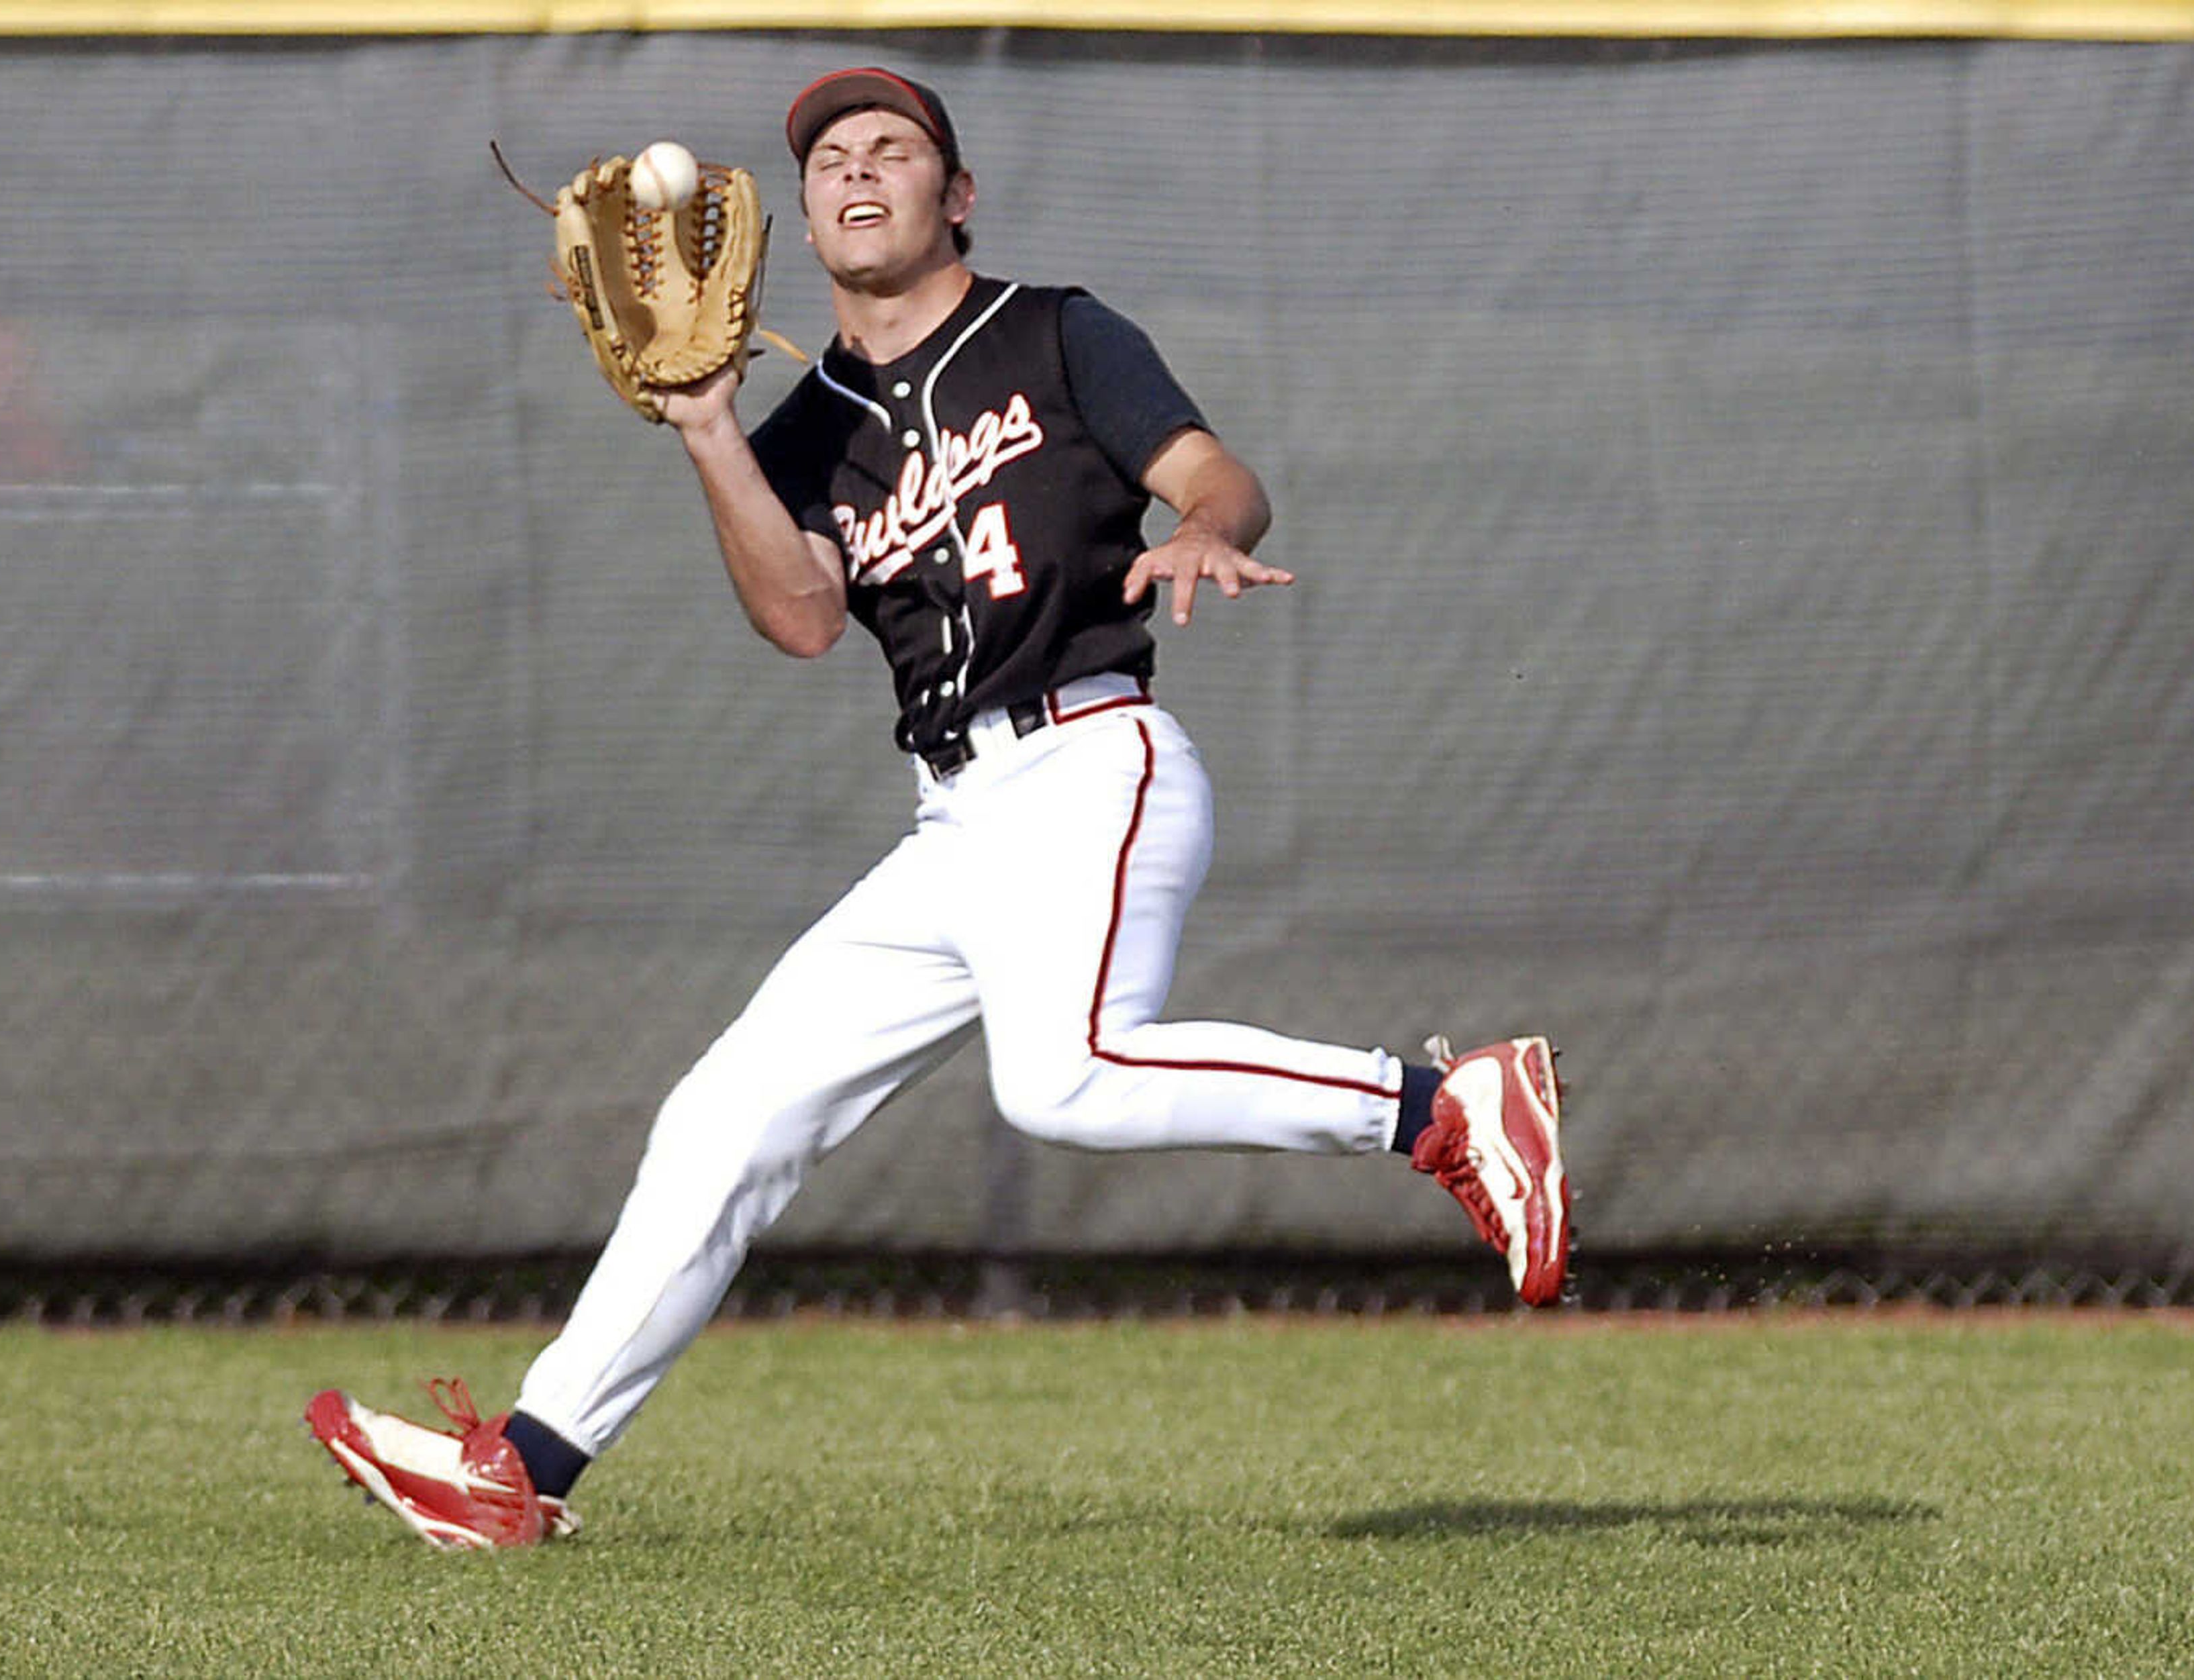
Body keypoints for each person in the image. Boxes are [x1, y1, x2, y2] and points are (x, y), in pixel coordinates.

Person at [304, 66, 1568, 1551]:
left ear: (952, 193)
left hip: (1095, 754)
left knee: (1063, 1081)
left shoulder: (1055, 331)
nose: (857, 170)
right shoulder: (807, 424)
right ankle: (524, 1467)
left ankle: (1444, 1107)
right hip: (954, 821)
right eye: (830, 155)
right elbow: (799, 619)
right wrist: (710, 428)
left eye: (892, 148)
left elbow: (1221, 475)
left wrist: (1199, 532)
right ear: (804, 215)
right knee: (728, 1116)